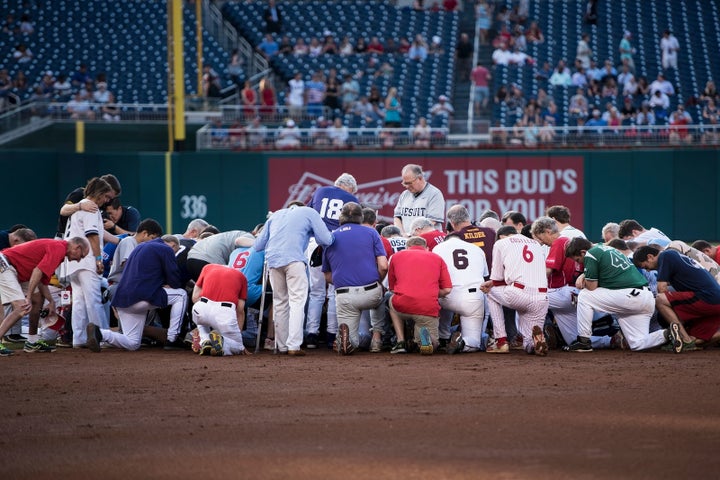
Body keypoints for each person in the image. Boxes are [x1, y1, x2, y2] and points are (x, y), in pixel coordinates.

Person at [563, 237, 681, 352]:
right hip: (645, 297)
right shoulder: (605, 247)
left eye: (578, 260)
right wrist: (585, 274)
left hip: (629, 295)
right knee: (637, 343)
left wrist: (583, 277)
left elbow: (592, 287)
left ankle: (584, 341)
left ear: (583, 252)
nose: (580, 263)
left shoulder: (591, 253)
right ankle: (668, 333)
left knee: (584, 295)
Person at [254, 202, 334, 356]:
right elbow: (326, 239)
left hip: (273, 260)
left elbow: (258, 245)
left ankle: (282, 346)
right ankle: (294, 345)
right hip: (294, 259)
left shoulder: (276, 214)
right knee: (297, 301)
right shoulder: (309, 212)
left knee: (280, 302)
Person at [88, 237, 188, 352]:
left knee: (132, 343)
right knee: (181, 295)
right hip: (140, 297)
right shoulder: (166, 248)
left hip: (121, 298)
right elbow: (174, 280)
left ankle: (101, 333)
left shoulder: (139, 247)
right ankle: (172, 339)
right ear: (172, 245)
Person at [0, 237, 89, 356]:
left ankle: (32, 341)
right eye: (81, 256)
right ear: (77, 248)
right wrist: (28, 297)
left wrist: (50, 301)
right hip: (5, 265)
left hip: (13, 268)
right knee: (22, 307)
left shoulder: (59, 248)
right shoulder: (59, 248)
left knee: (38, 299)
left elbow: (41, 280)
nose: (79, 260)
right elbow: (37, 271)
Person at [322, 202, 387, 355]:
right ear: (361, 217)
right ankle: (376, 338)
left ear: (341, 217)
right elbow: (384, 265)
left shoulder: (330, 237)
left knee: (352, 342)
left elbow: (327, 275)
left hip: (344, 294)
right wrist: (377, 282)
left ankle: (346, 340)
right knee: (383, 296)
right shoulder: (372, 233)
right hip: (371, 292)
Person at [305, 173, 359, 349]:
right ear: (349, 187)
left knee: (316, 292)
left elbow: (307, 213)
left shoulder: (320, 191)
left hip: (314, 243)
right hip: (336, 242)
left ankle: (311, 334)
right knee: (334, 291)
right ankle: (331, 334)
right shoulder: (352, 199)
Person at [633, 246, 720, 351]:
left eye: (646, 266)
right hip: (712, 299)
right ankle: (689, 340)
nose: (648, 270)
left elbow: (661, 288)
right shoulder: (673, 255)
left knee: (659, 299)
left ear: (650, 257)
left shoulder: (666, 255)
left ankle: (685, 340)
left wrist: (670, 314)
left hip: (707, 297)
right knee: (697, 340)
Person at [480, 229, 549, 356]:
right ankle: (534, 344)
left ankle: (500, 341)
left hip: (519, 294)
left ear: (501, 236)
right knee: (527, 343)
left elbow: (497, 278)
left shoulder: (501, 243)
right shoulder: (536, 244)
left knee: (490, 292)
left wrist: (490, 283)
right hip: (541, 297)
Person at [63, 177, 114, 347]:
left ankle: (79, 338)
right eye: (106, 196)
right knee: (93, 300)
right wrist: (99, 259)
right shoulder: (91, 208)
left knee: (79, 301)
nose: (107, 201)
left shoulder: (79, 207)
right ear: (99, 193)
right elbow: (92, 235)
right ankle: (103, 337)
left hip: (72, 261)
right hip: (86, 259)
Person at [387, 236, 452, 355]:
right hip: (427, 306)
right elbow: (447, 289)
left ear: (407, 247)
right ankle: (426, 341)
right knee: (433, 342)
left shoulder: (396, 257)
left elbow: (391, 288)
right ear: (427, 248)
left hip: (402, 304)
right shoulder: (437, 258)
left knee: (391, 301)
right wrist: (430, 293)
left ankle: (400, 341)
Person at [434, 226, 489, 353]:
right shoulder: (476, 249)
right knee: (473, 343)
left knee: (440, 298)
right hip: (473, 297)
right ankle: (463, 343)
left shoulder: (438, 248)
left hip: (447, 296)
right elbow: (485, 275)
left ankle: (443, 336)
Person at [191, 263, 251, 356]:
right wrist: (239, 341)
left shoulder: (207, 267)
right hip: (225, 312)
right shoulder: (241, 276)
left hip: (201, 307)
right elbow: (240, 311)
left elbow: (194, 297)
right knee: (237, 347)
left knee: (201, 322)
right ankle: (223, 342)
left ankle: (205, 340)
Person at [394, 164, 445, 236]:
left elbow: (431, 222)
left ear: (420, 178)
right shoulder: (404, 195)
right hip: (407, 241)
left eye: (409, 183)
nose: (407, 186)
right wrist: (402, 234)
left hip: (428, 240)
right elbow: (397, 217)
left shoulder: (434, 194)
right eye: (405, 183)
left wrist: (411, 235)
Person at [186, 229, 255, 281]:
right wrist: (259, 244)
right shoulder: (248, 236)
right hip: (208, 260)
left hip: (191, 259)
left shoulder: (230, 234)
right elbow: (238, 241)